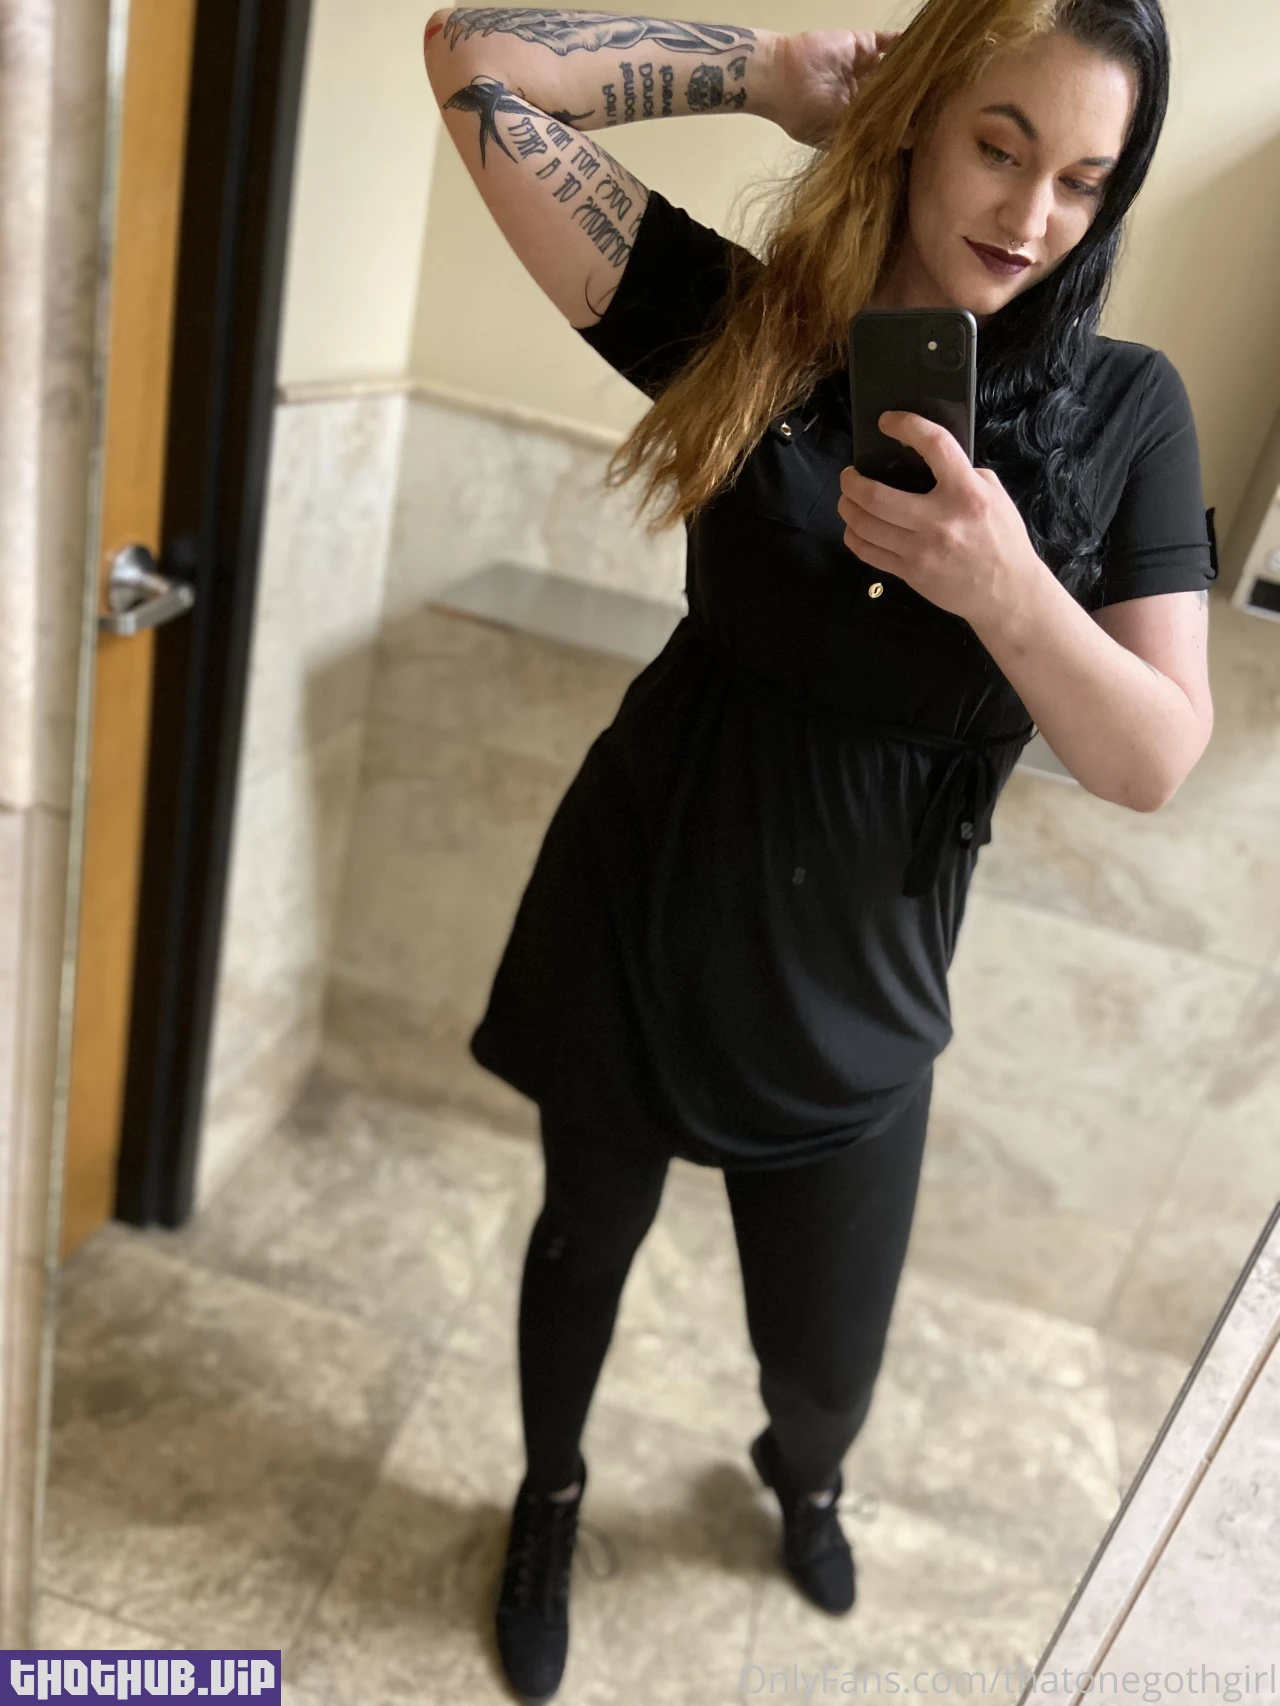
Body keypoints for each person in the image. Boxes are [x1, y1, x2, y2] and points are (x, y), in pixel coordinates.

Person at [424, 1, 1216, 1698]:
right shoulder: (752, 328)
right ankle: (548, 1495)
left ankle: (806, 1477)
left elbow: (1153, 754)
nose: (1032, 214)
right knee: (578, 1250)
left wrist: (1004, 585)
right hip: (645, 904)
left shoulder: (1126, 416)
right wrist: (768, 75)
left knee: (825, 1365)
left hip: (861, 998)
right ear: (920, 115)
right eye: (999, 143)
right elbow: (471, 60)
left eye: (1085, 179)